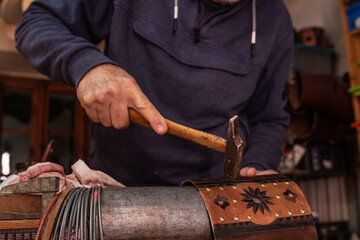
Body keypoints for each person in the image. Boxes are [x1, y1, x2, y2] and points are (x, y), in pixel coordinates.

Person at [15, 0, 293, 186]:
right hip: (115, 185)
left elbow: (269, 118)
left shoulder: (275, 19)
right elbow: (35, 23)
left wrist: (257, 166)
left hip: (214, 201)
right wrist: (87, 66)